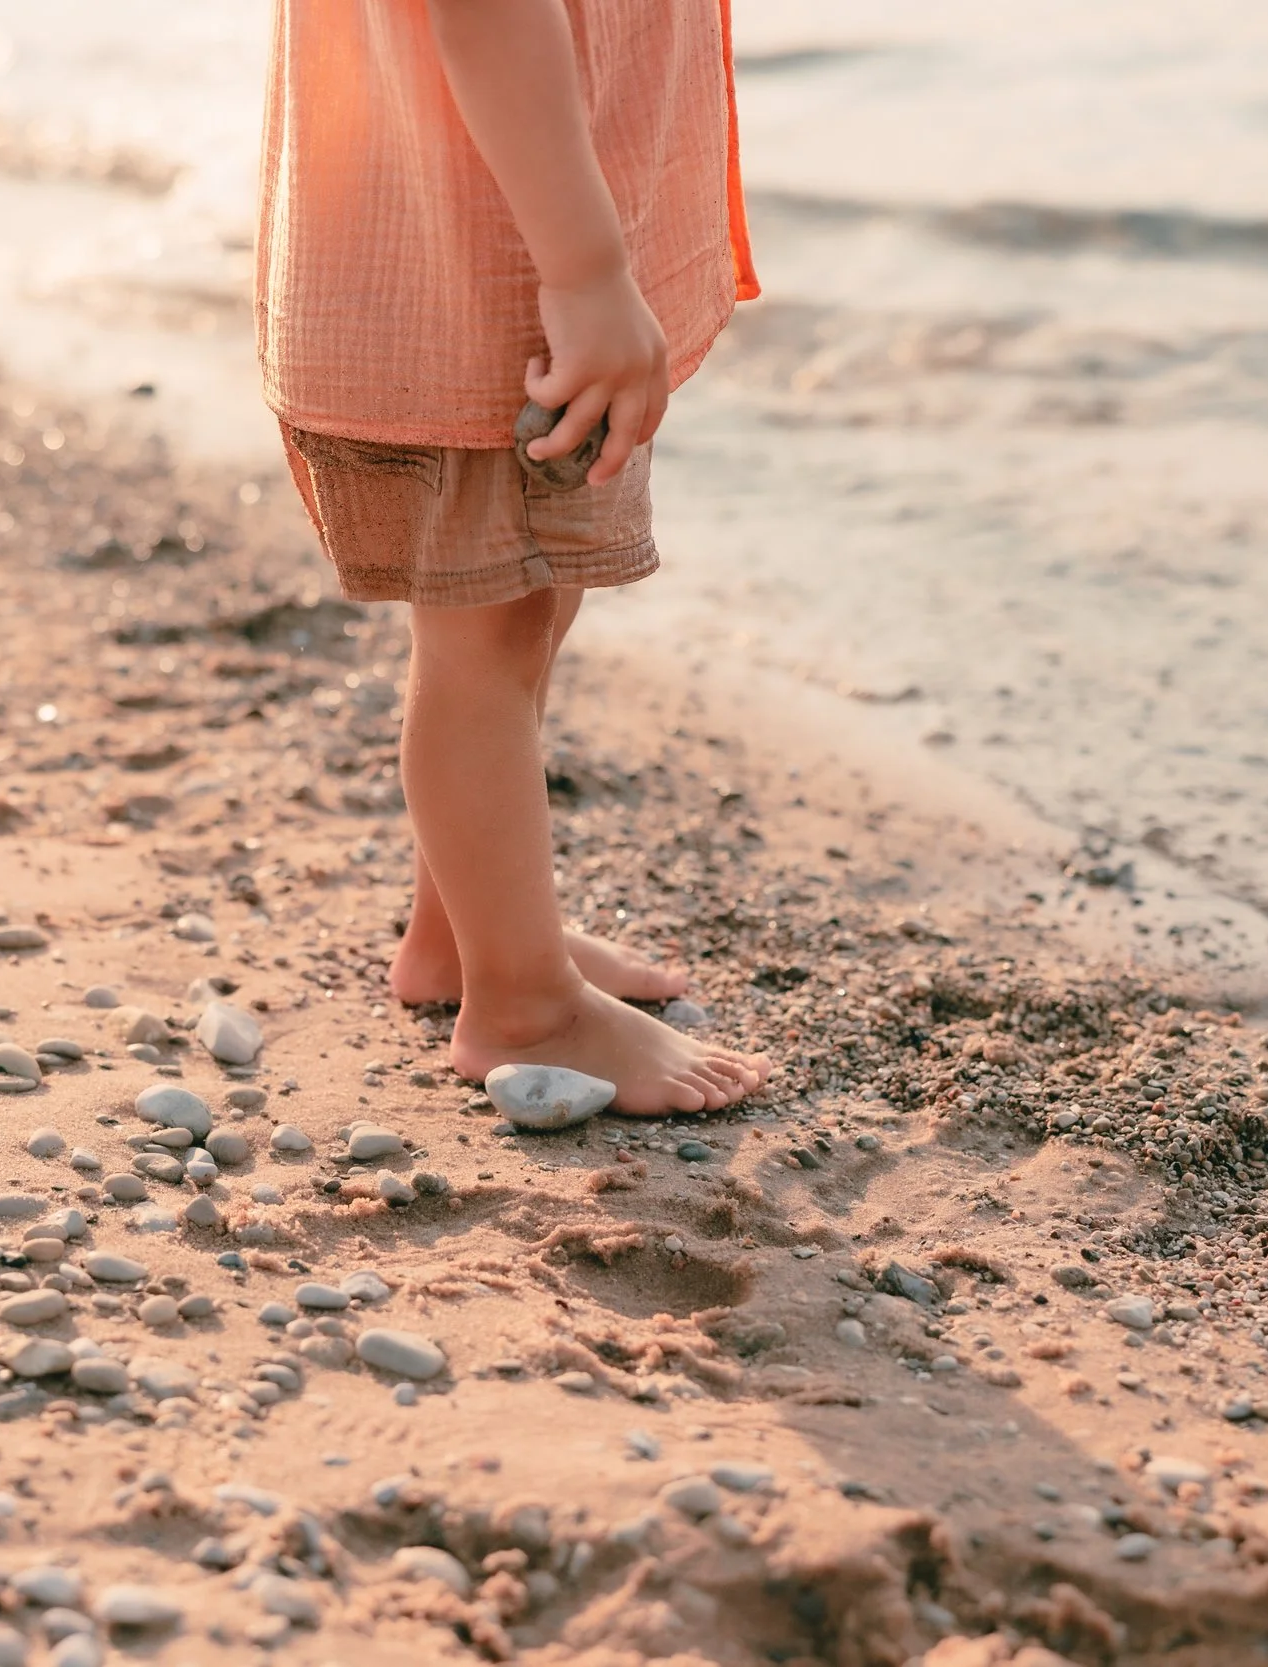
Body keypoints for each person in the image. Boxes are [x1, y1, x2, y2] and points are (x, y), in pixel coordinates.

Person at [257, 0, 771, 1113]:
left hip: (521, 259)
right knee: (487, 634)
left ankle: (462, 937)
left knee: (531, 605)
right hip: (484, 281)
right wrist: (585, 275)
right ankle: (523, 1001)